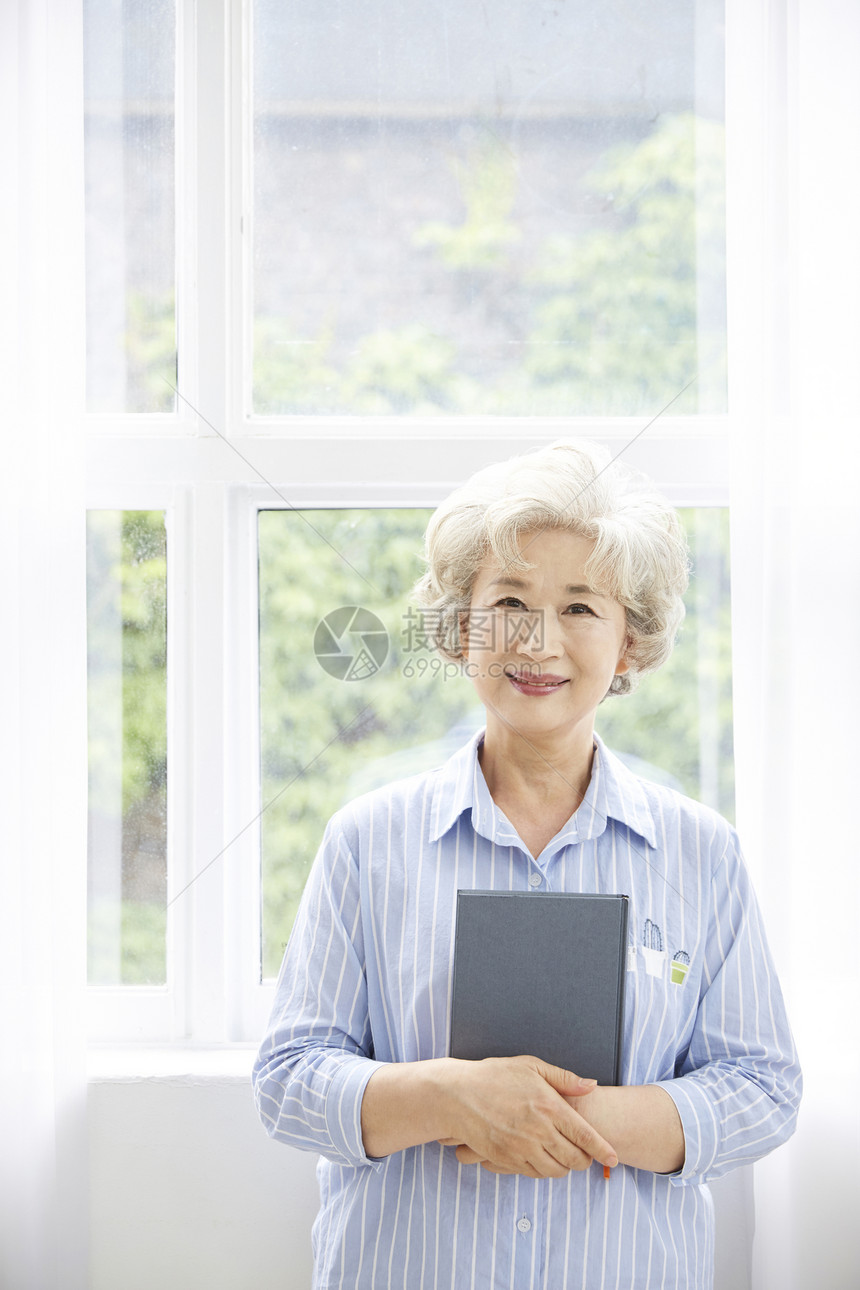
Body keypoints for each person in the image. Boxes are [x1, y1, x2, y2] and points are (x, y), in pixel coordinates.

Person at [253, 440, 801, 1290]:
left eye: (581, 608)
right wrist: (450, 1099)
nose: (538, 640)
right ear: (460, 629)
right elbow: (289, 1082)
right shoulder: (367, 841)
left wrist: (576, 1121)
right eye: (509, 601)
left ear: (630, 643)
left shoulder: (704, 854)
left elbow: (764, 1088)